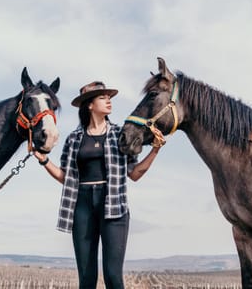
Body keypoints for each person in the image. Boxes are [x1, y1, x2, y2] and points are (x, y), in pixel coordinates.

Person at [34, 81, 165, 289]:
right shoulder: (73, 139)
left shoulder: (119, 134)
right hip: (82, 206)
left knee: (113, 277)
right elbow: (65, 177)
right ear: (90, 105)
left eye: (109, 97)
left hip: (114, 206)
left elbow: (134, 173)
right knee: (86, 279)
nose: (108, 101)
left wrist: (155, 150)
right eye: (102, 97)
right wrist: (43, 160)